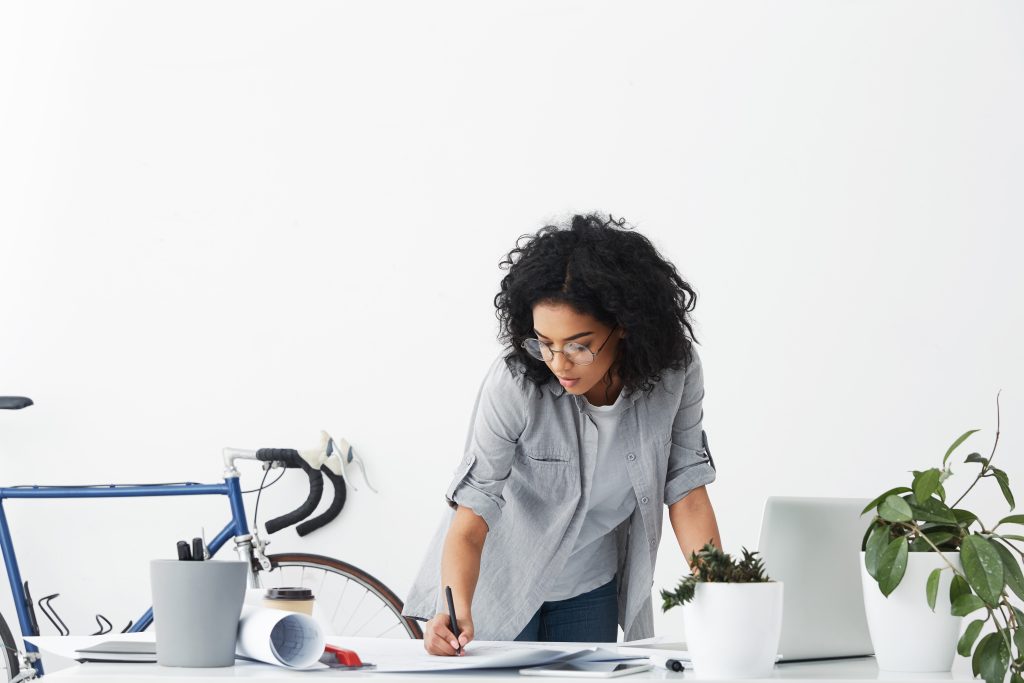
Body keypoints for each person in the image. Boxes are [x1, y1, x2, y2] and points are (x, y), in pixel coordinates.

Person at [402, 213, 722, 654]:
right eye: (543, 342)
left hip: (590, 588)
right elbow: (472, 513)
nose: (558, 362)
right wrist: (453, 614)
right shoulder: (516, 382)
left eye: (578, 344)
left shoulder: (675, 372)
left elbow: (686, 489)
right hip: (500, 583)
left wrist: (726, 596)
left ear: (624, 324)